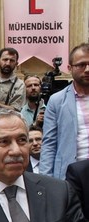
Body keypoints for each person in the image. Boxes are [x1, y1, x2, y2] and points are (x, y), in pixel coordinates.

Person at [39, 43, 89, 179]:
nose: (87, 69)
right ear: (69, 68)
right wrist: (46, 181)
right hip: (70, 175)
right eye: (81, 65)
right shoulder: (57, 101)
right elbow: (49, 143)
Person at [0, 47, 25, 112]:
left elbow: (15, 110)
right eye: (5, 60)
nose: (8, 63)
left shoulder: (19, 84)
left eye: (12, 61)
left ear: (16, 64)